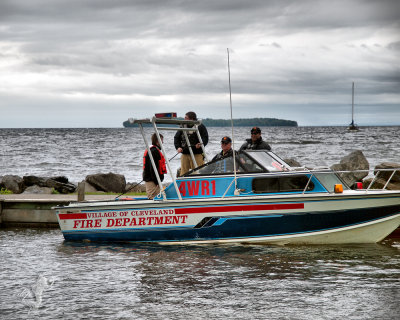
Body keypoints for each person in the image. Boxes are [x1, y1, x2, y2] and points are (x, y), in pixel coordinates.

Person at [174, 111, 208, 176]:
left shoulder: (200, 126)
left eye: (186, 118)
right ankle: (183, 184)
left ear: (192, 119)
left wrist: (200, 144)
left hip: (197, 153)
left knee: (198, 172)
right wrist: (178, 147)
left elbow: (205, 138)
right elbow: (176, 138)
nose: (184, 119)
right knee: (183, 173)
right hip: (185, 153)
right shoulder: (182, 126)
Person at [142, 133, 167, 199]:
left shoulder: (154, 150)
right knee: (153, 198)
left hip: (153, 179)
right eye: (161, 140)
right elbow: (153, 168)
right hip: (152, 180)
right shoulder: (154, 151)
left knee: (159, 197)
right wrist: (157, 181)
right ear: (157, 141)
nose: (163, 142)